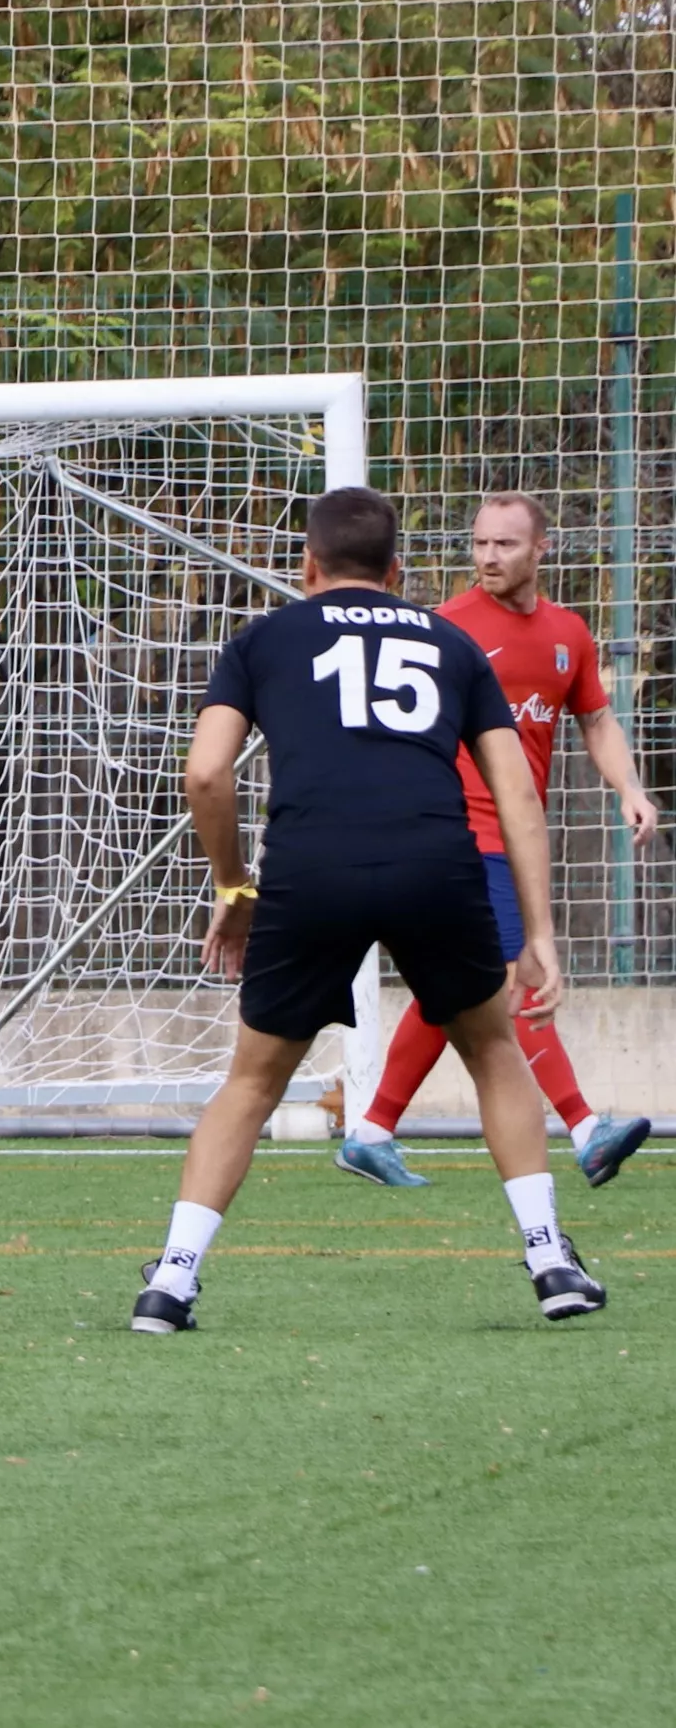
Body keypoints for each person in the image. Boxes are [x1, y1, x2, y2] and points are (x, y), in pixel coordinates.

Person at [132, 487, 606, 1335]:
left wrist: (237, 890)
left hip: (312, 868)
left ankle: (171, 1279)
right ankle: (549, 1258)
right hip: (435, 861)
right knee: (495, 1050)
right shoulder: (454, 642)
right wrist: (536, 934)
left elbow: (207, 774)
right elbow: (517, 798)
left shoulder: (264, 640)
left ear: (308, 567)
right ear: (396, 572)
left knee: (253, 1080)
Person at [339, 492, 657, 1188]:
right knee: (516, 979)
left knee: (456, 989)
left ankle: (371, 1129)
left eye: (505, 545)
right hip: (458, 836)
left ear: (542, 549)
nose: (487, 556)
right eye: (480, 543)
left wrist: (629, 788)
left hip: (514, 839)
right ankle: (583, 1128)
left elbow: (596, 721)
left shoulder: (568, 634)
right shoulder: (444, 628)